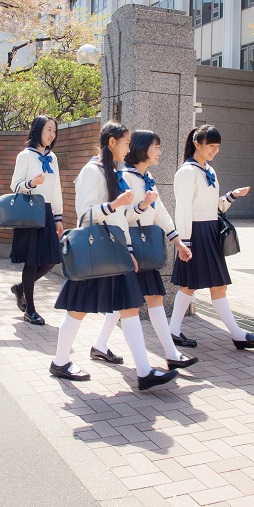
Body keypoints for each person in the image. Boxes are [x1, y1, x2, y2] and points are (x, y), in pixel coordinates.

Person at [50, 121, 178, 390]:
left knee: (129, 308)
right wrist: (113, 205)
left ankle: (144, 372)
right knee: (77, 310)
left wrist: (129, 249)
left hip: (115, 250)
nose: (129, 148)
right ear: (112, 143)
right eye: (126, 143)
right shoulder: (91, 171)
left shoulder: (115, 172)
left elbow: (123, 218)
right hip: (96, 250)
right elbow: (84, 214)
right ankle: (60, 362)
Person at [90, 130, 199, 370]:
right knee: (136, 301)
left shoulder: (146, 177)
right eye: (156, 147)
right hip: (128, 248)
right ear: (142, 148)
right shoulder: (125, 177)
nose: (160, 152)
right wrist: (141, 206)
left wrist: (177, 241)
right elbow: (122, 215)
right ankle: (167, 356)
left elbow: (160, 212)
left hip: (142, 250)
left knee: (139, 300)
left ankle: (101, 346)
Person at [168, 124, 254, 350]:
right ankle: (176, 331)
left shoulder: (209, 171)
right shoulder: (186, 172)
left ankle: (236, 334)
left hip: (210, 231)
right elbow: (182, 209)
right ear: (197, 144)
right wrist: (185, 242)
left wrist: (232, 196)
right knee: (190, 285)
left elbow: (214, 208)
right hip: (195, 234)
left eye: (217, 147)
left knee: (215, 286)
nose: (214, 150)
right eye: (210, 146)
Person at [9, 115, 63, 326]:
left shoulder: (53, 158)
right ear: (38, 130)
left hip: (47, 211)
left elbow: (56, 188)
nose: (52, 134)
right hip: (30, 210)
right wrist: (30, 183)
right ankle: (30, 310)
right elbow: (14, 185)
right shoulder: (25, 156)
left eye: (54, 131)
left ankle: (21, 288)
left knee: (50, 259)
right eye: (49, 129)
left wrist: (58, 217)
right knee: (32, 261)